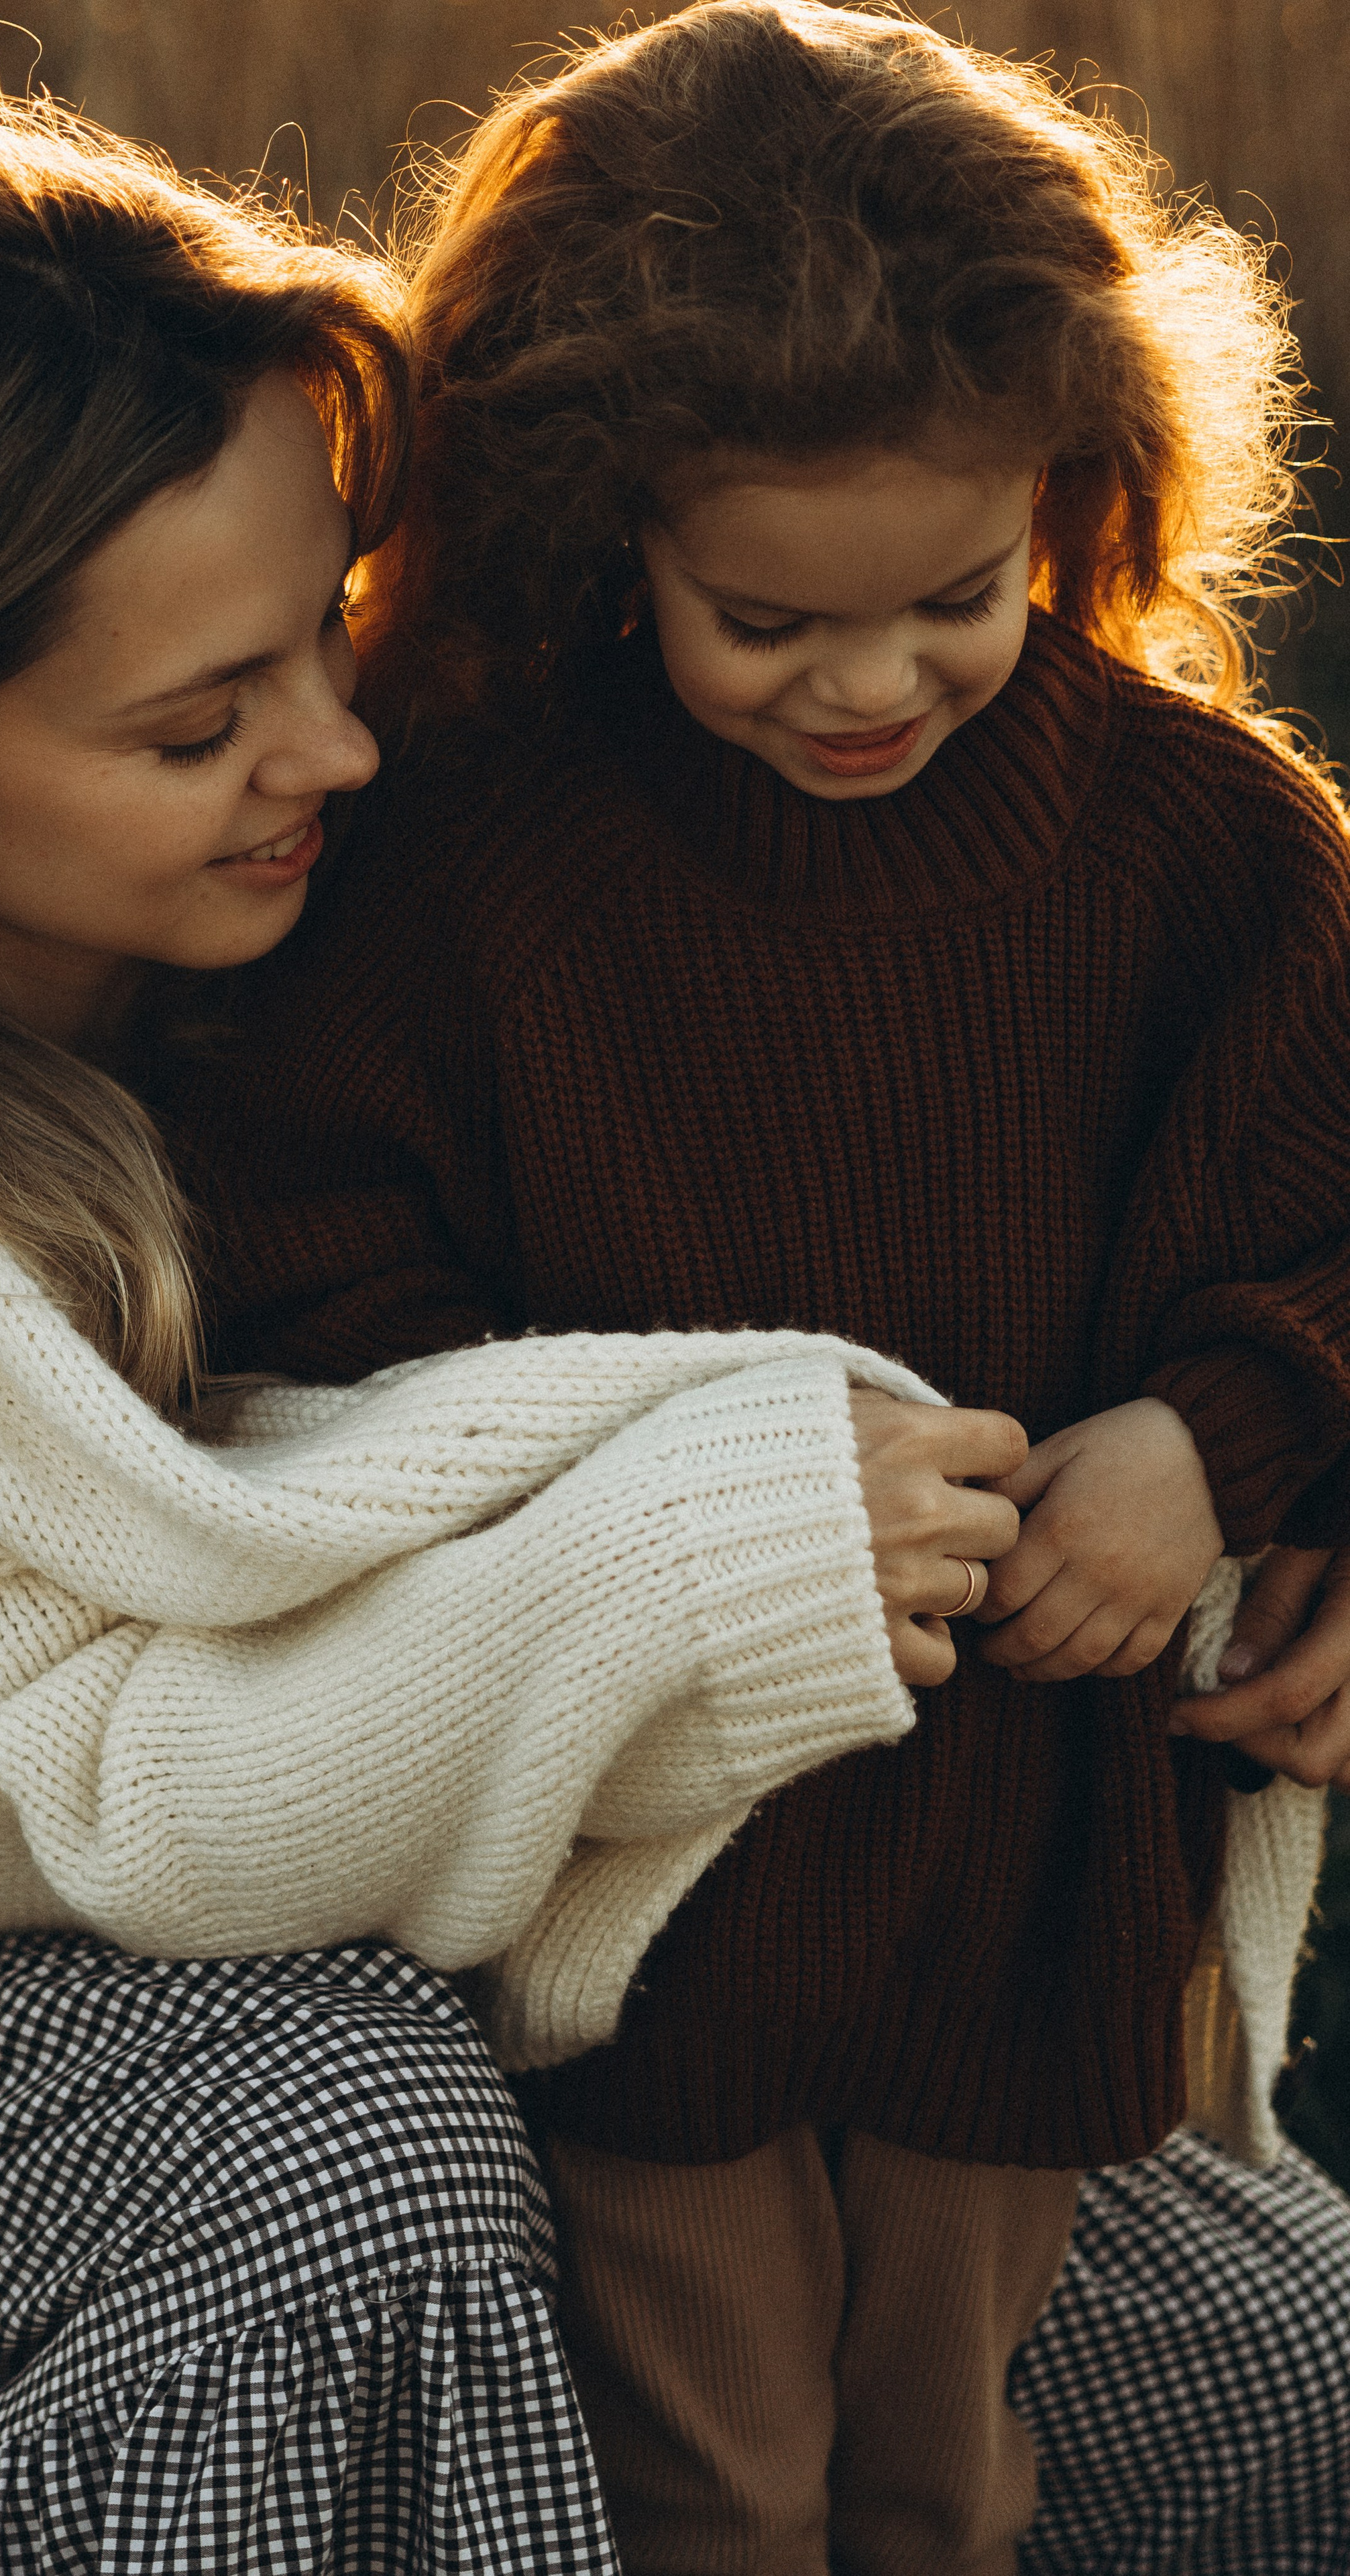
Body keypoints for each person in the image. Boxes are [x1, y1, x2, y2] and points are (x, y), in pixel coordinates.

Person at [0, 89, 1032, 2575]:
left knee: (1228, 2338)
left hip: (468, 1971)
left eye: (331, 629)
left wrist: (1260, 1510)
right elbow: (87, 1798)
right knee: (333, 2155)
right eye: (200, 729)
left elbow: (983, 1181)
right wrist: (684, 1579)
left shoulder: (403, 909)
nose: (339, 752)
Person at [172, 6, 1350, 2569]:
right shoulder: (464, 855)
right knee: (715, 2473)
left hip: (1030, 1863)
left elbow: (1324, 1221)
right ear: (609, 530)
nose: (869, 684)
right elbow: (317, 1287)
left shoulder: (1210, 856)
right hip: (649, 1861)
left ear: (1077, 487)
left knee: (940, 2473)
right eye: (763, 620)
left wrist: (1216, 1436)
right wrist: (670, 1492)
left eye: (960, 595)